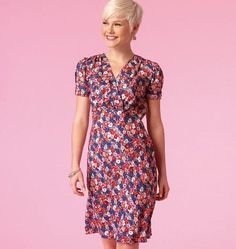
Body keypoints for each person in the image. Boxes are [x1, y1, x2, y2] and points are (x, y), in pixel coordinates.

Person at [69, 0, 170, 248]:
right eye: (105, 22)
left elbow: (155, 124)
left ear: (134, 28)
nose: (109, 30)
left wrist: (163, 172)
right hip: (102, 163)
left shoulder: (150, 71)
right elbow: (81, 119)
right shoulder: (87, 68)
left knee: (128, 239)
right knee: (109, 240)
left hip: (137, 163)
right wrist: (74, 166)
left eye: (117, 24)